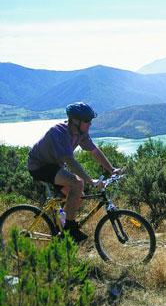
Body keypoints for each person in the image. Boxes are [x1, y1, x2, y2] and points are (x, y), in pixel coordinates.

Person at [27, 102, 120, 243]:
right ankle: (70, 229)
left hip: (55, 166)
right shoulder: (58, 132)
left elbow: (94, 151)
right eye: (87, 121)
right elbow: (70, 161)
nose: (90, 124)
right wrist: (90, 180)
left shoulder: (81, 133)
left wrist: (111, 169)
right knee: (77, 183)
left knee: (77, 196)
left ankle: (61, 226)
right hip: (39, 166)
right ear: (75, 121)